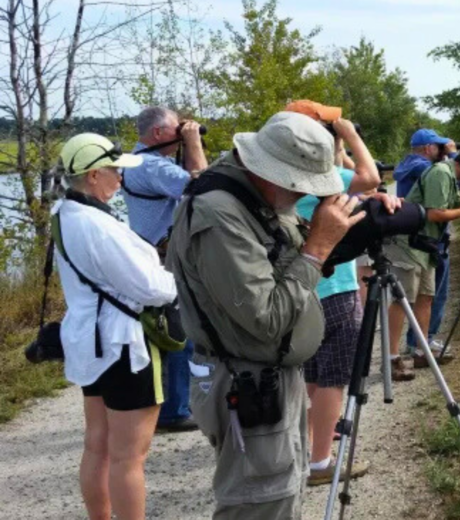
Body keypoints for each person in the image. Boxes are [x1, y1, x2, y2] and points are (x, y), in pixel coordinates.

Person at [166, 112, 364, 519]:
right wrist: (317, 248)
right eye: (300, 187)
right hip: (246, 378)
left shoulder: (251, 196)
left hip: (266, 371)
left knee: (281, 492)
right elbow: (266, 316)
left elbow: (279, 258)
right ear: (272, 174)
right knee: (259, 503)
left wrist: (344, 228)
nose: (302, 196)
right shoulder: (220, 213)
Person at [55, 133, 178, 520]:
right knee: (129, 456)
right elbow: (148, 287)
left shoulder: (63, 212)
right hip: (123, 344)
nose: (120, 179)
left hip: (89, 341)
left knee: (98, 445)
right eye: (114, 171)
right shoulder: (99, 225)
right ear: (92, 176)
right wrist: (179, 284)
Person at [284, 100, 397, 486]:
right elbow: (369, 177)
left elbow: (357, 184)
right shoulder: (323, 174)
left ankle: (306, 449)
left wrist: (337, 145)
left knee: (311, 373)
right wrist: (348, 134)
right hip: (335, 287)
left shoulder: (282, 173)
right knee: (333, 376)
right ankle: (320, 463)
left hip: (300, 286)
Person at [122, 106, 208, 432]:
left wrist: (185, 142)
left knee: (162, 331)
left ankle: (162, 404)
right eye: (177, 129)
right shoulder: (151, 164)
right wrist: (194, 144)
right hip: (160, 260)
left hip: (150, 255)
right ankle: (173, 411)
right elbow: (203, 186)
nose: (183, 133)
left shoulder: (140, 160)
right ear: (158, 133)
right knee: (177, 331)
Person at [384, 145, 460, 379]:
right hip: (408, 242)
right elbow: (435, 213)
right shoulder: (441, 173)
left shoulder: (450, 176)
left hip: (425, 244)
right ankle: (391, 358)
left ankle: (422, 349)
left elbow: (458, 206)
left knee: (425, 297)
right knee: (403, 300)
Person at [393, 129, 459, 361]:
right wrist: (453, 155)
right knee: (432, 294)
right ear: (428, 148)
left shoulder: (409, 164)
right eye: (439, 147)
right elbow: (456, 178)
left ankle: (420, 340)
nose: (443, 152)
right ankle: (422, 340)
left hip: (416, 237)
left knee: (423, 294)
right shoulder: (427, 168)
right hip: (427, 238)